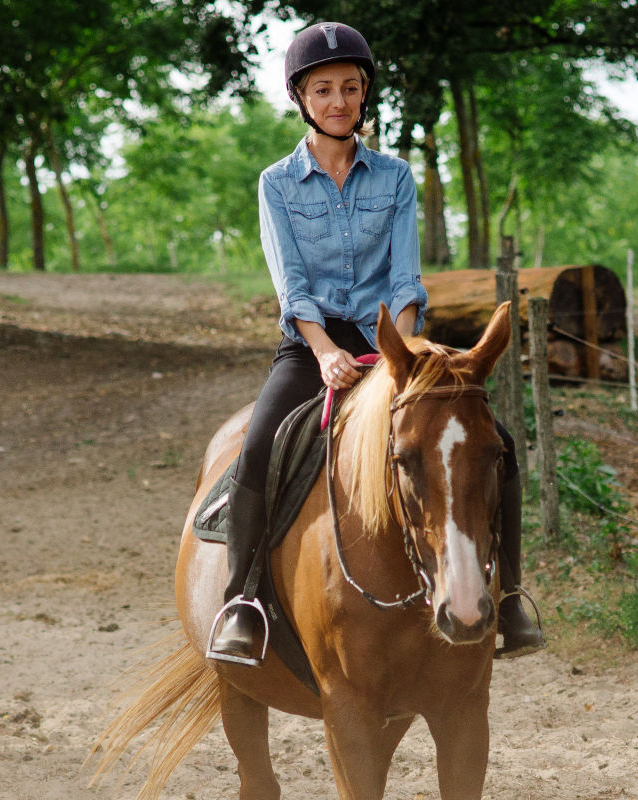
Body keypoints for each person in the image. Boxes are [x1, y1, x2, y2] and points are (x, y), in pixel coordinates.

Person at [204, 21, 544, 667]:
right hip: (314, 344)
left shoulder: (393, 178)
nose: (339, 101)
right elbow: (292, 285)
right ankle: (242, 601)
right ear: (302, 98)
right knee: (256, 451)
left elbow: (405, 276)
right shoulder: (277, 182)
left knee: (490, 443)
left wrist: (406, 357)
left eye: (351, 88)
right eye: (325, 89)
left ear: (365, 95)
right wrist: (326, 352)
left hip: (396, 340)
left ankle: (508, 600)